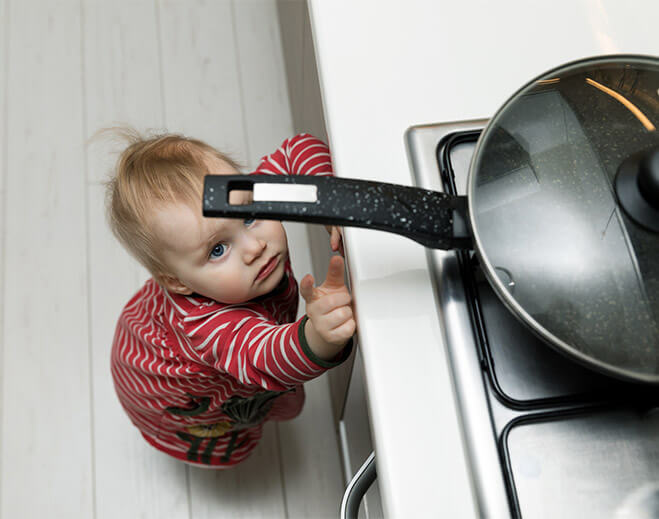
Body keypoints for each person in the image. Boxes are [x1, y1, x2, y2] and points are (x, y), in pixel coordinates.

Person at [106, 131, 355, 467]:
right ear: (176, 282)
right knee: (231, 423)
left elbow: (299, 149)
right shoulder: (207, 327)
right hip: (172, 390)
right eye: (218, 250)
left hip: (153, 324)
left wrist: (328, 200)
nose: (255, 248)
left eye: (250, 215)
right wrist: (318, 336)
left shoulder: (237, 199)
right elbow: (266, 356)